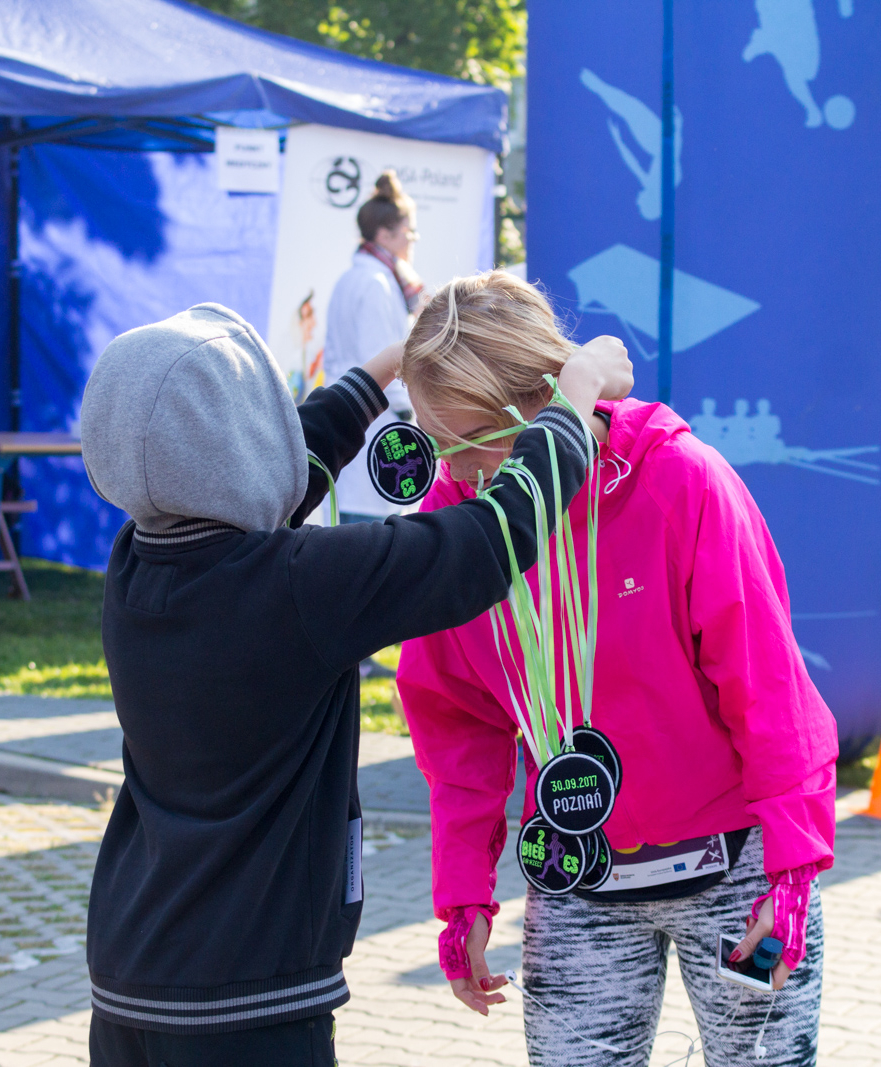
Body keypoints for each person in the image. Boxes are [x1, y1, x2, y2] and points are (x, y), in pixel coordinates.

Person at [77, 302, 631, 1067]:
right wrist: (575, 396)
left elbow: (268, 476)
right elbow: (485, 541)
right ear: (244, 442)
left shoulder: (135, 565)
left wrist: (384, 368)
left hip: (129, 979)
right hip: (249, 1004)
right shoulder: (300, 587)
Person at [396, 272, 838, 1066]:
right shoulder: (456, 521)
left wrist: (794, 866)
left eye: (478, 441)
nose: (462, 473)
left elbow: (767, 685)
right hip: (578, 874)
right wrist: (463, 893)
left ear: (544, 401)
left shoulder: (680, 481)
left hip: (736, 874)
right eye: (440, 445)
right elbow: (456, 720)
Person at [322, 170, 425, 525]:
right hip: (376, 429)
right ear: (385, 235)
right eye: (408, 232)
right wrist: (411, 414)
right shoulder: (377, 284)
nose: (412, 240)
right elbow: (384, 362)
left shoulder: (355, 278)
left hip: (355, 428)